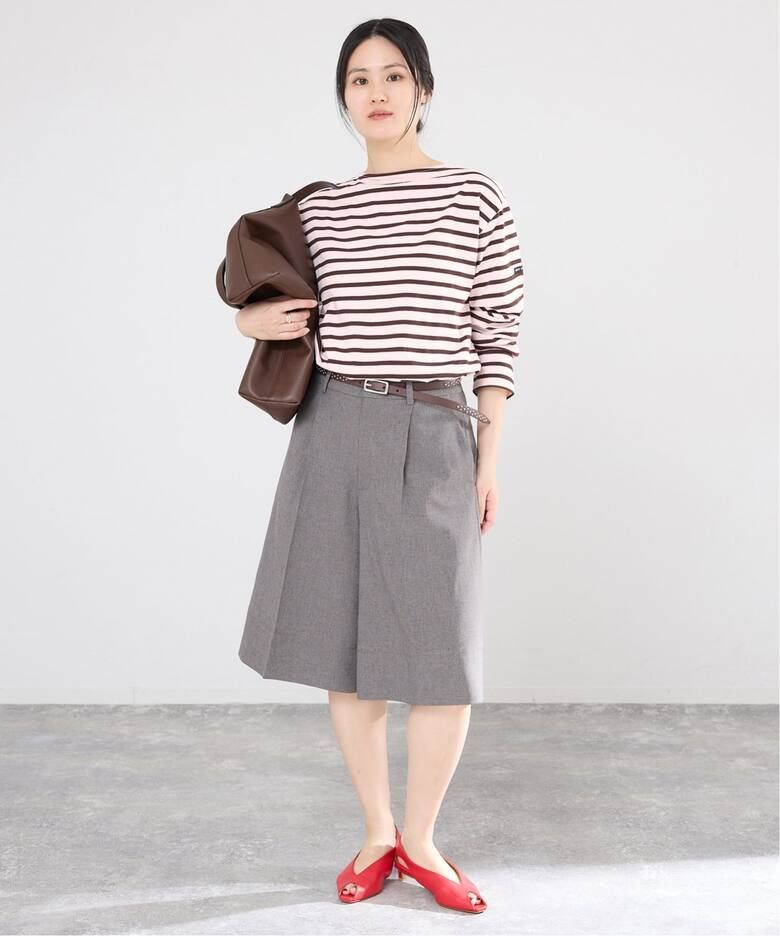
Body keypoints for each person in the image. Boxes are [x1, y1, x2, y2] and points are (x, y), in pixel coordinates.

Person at [233, 17, 524, 914]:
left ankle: (423, 842)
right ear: (344, 98)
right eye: (359, 79)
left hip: (436, 427)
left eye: (394, 75)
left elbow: (498, 335)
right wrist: (248, 320)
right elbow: (265, 293)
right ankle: (377, 834)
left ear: (423, 90)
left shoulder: (474, 196)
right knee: (346, 646)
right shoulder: (320, 209)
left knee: (440, 653)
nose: (377, 92)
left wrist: (488, 458)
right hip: (335, 427)